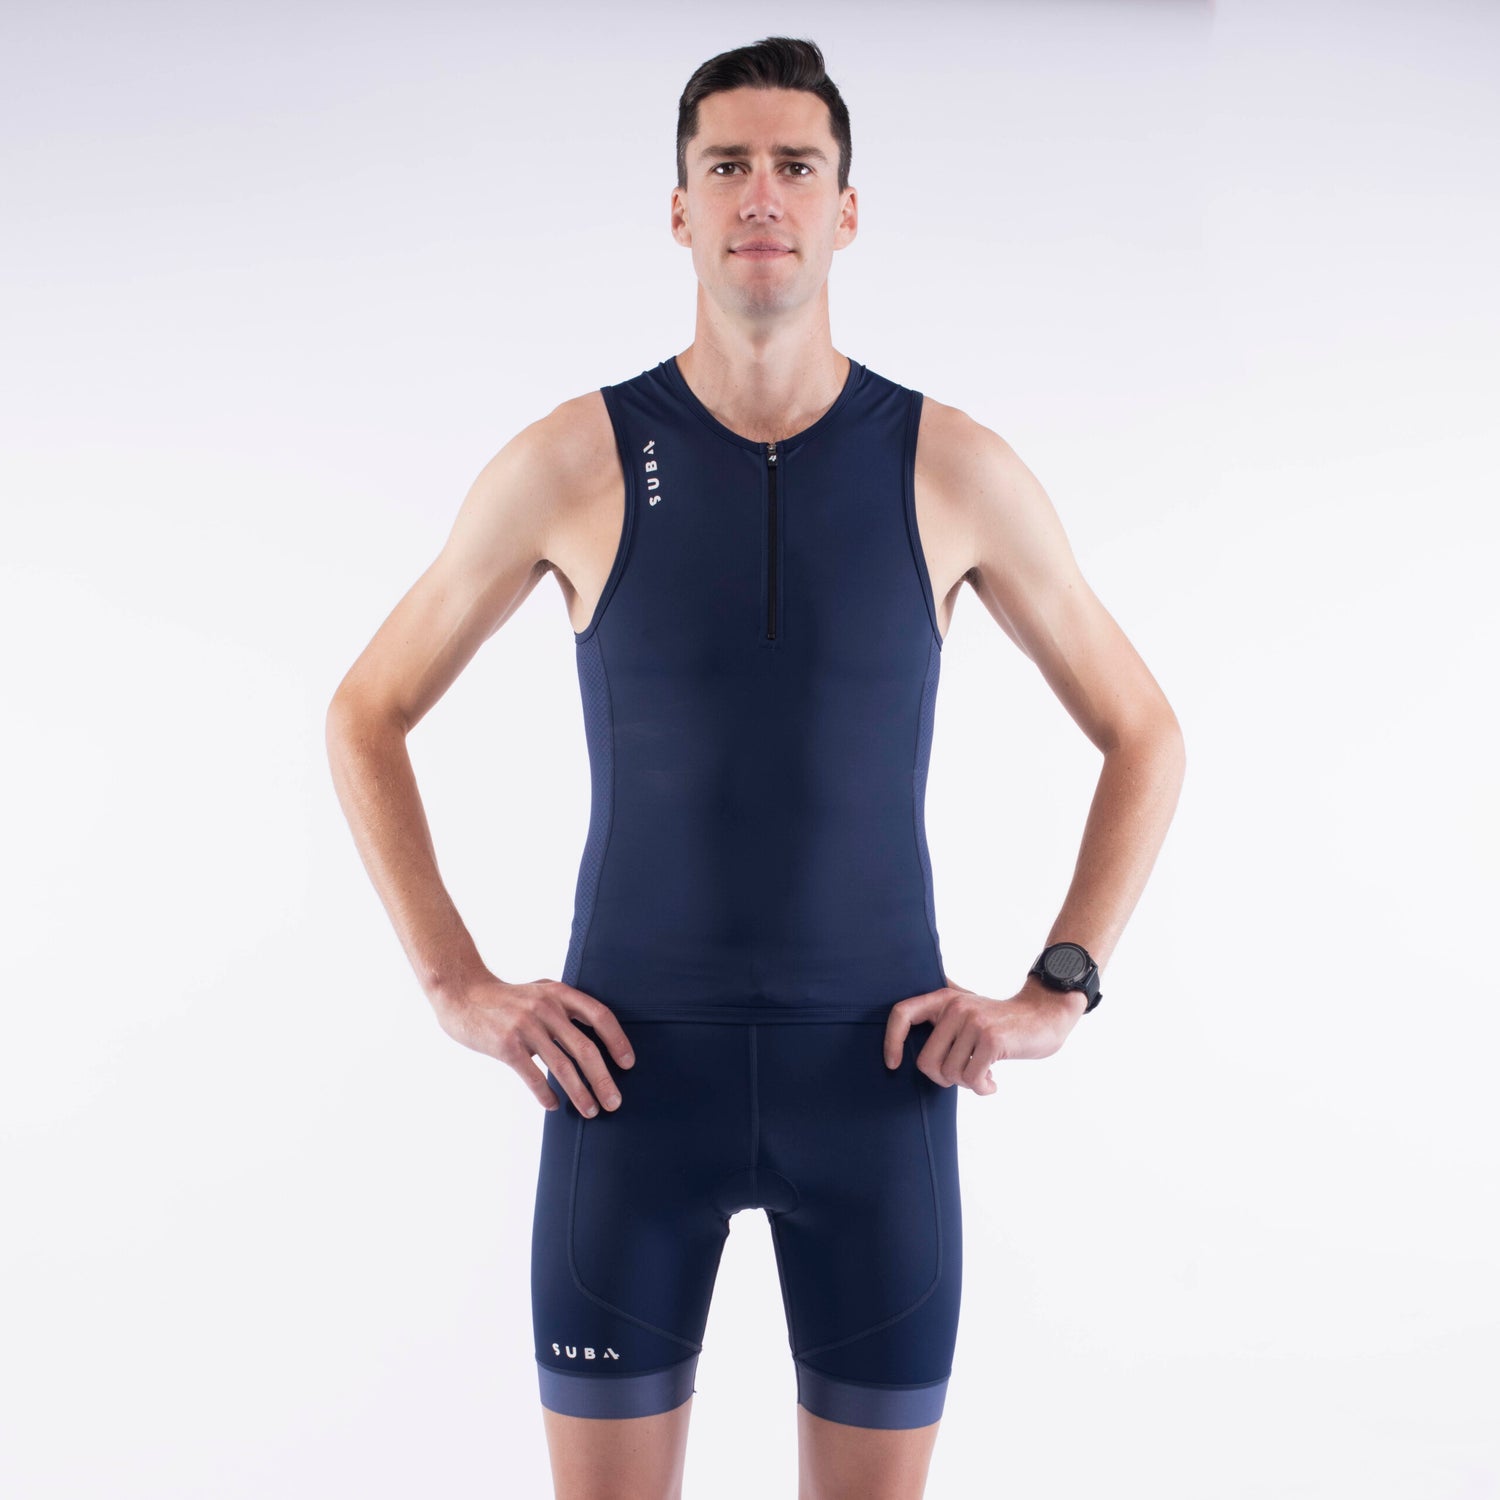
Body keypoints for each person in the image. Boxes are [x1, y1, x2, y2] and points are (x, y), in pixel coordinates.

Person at [326, 34, 1185, 1500]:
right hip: (623, 1089)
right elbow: (368, 709)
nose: (762, 195)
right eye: (727, 165)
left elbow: (1143, 730)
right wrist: (454, 983)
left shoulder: (953, 467)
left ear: (848, 210)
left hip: (879, 1086)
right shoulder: (573, 460)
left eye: (797, 165)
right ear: (681, 210)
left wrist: (1060, 989)